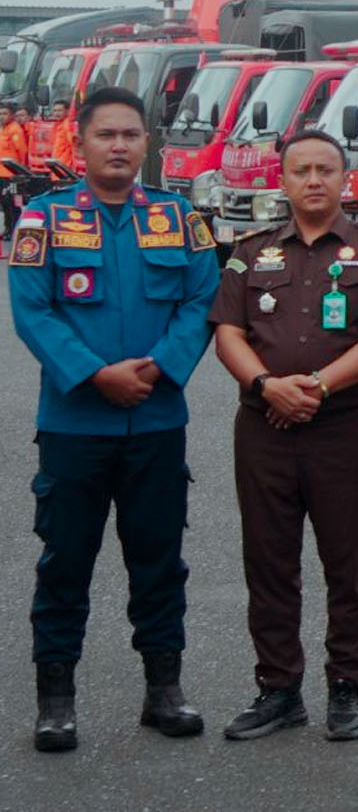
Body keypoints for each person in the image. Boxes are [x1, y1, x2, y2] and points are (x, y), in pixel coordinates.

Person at [8, 85, 221, 752]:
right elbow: (32, 310)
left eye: (131, 135)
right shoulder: (44, 219)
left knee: (160, 562)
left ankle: (164, 691)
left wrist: (157, 368)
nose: (120, 146)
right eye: (107, 135)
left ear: (146, 142)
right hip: (76, 425)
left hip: (156, 423)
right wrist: (96, 374)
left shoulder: (178, 218)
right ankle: (56, 702)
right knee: (65, 561)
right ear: (83, 141)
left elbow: (200, 299)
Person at [209, 129, 358, 742]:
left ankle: (347, 688)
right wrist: (268, 386)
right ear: (282, 181)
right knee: (268, 562)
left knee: (349, 564)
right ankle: (278, 689)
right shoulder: (250, 250)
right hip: (263, 425)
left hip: (342, 427)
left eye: (326, 170)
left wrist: (315, 386)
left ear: (345, 180)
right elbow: (228, 332)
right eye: (301, 171)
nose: (314, 181)